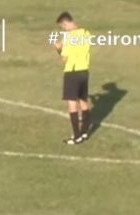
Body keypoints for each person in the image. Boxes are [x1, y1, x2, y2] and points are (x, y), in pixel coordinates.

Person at [54, 12, 93, 144]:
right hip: (84, 71)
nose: (63, 29)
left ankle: (76, 136)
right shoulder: (86, 33)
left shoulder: (69, 37)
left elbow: (65, 59)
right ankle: (85, 132)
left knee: (72, 104)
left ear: (66, 23)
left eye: (63, 26)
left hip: (72, 72)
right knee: (83, 101)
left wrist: (59, 49)